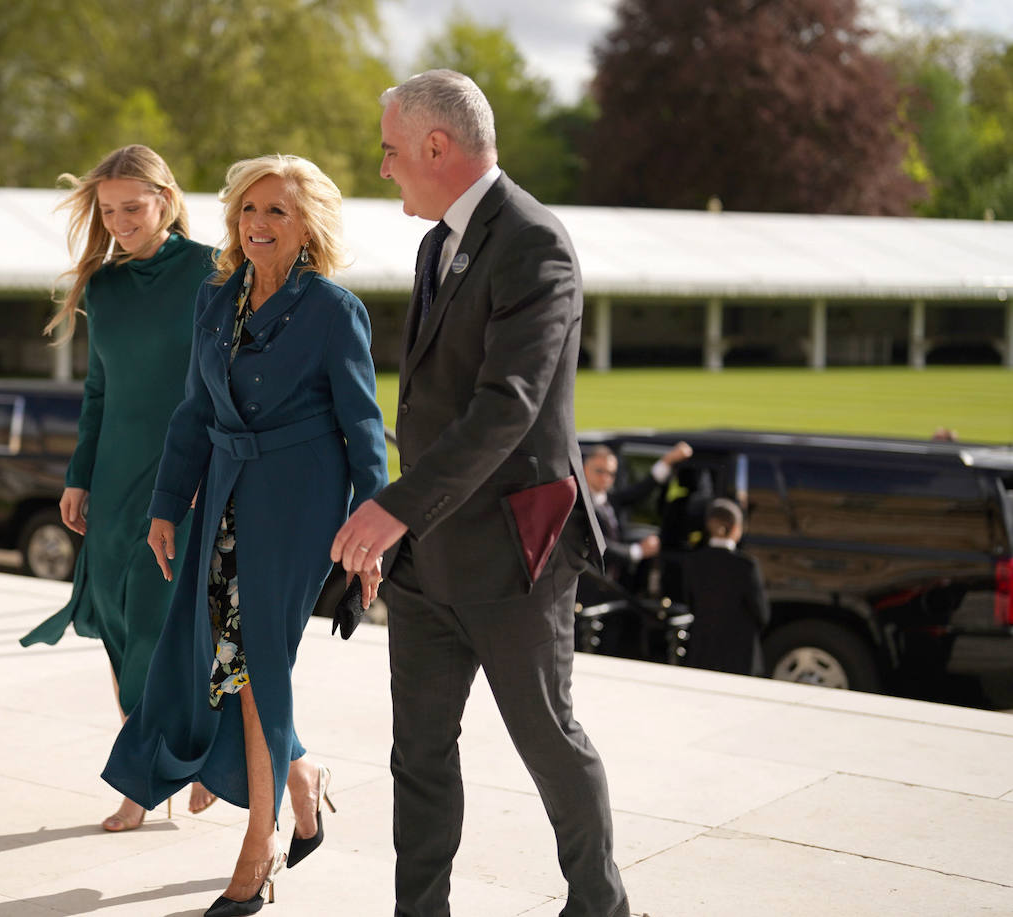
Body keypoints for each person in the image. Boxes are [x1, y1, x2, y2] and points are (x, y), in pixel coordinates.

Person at [332, 70, 630, 917]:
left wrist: (395, 506)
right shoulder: (436, 244)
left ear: (437, 146)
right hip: (428, 559)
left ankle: (600, 906)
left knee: (549, 743)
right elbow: (429, 403)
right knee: (417, 755)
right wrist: (405, 519)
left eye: (391, 151)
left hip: (515, 555)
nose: (384, 168)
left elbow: (510, 407)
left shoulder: (536, 241)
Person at [102, 154, 388, 917]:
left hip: (301, 502)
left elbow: (365, 426)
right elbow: (194, 409)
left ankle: (258, 847)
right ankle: (302, 780)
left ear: (308, 227)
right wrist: (167, 504)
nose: (258, 225)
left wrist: (374, 531)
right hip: (224, 491)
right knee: (224, 658)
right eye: (249, 210)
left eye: (278, 213)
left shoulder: (333, 308)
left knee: (259, 658)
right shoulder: (214, 298)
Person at [18, 144, 219, 832]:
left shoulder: (210, 270)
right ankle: (168, 756)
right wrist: (78, 477)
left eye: (134, 207)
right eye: (110, 211)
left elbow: (221, 382)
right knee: (112, 618)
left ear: (166, 199)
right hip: (113, 475)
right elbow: (99, 389)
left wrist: (206, 473)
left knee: (161, 625)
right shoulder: (100, 286)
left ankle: (151, 773)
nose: (122, 221)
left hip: (181, 473)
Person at [581, 441, 692, 590]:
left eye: (611, 474)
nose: (605, 478)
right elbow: (597, 544)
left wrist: (667, 461)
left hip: (614, 582)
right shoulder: (579, 505)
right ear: (584, 469)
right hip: (590, 585)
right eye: (600, 471)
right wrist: (637, 551)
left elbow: (641, 491)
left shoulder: (610, 499)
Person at [679, 498, 770, 676]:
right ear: (736, 528)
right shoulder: (746, 566)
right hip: (739, 655)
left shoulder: (693, 561)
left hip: (703, 651)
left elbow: (690, 603)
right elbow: (762, 614)